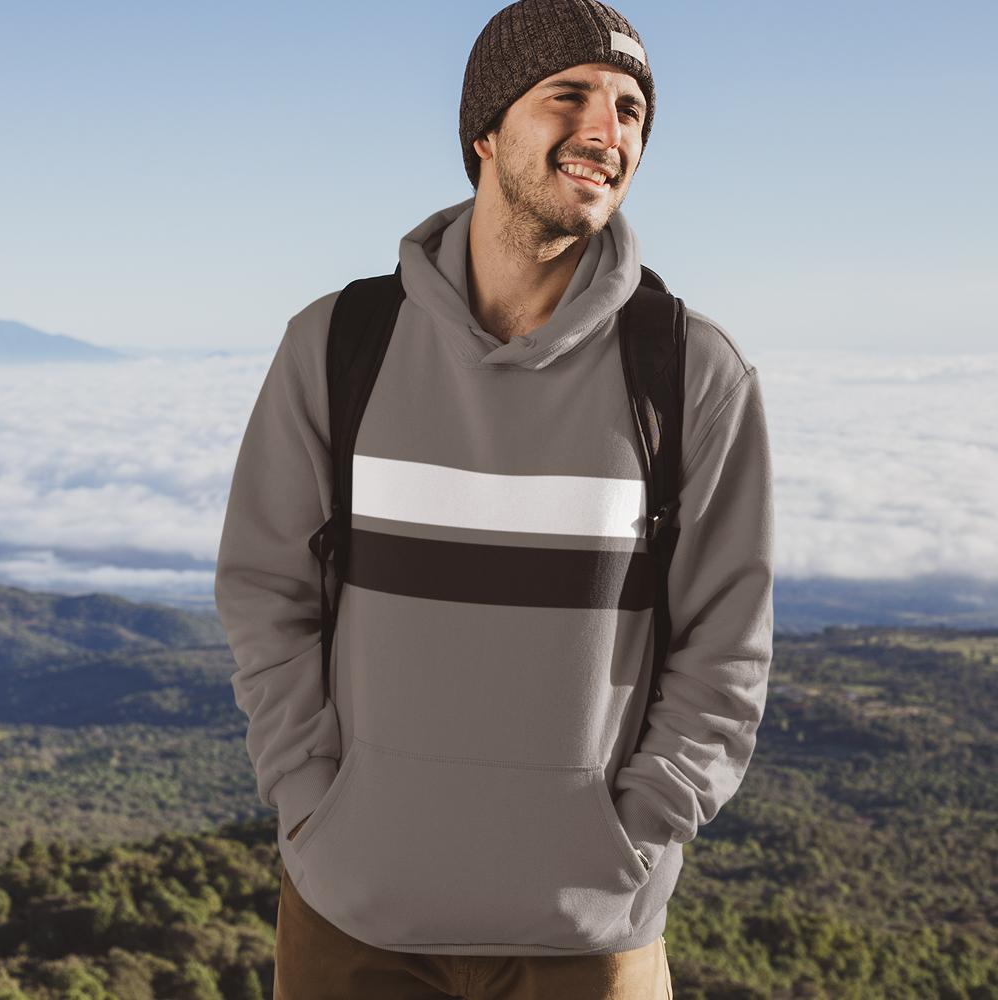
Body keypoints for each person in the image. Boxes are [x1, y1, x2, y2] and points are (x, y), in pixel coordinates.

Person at [213, 0, 775, 996]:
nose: (607, 132)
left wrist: (637, 832)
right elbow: (266, 588)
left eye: (630, 110)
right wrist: (313, 803)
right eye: (569, 97)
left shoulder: (689, 373)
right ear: (483, 132)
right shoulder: (340, 345)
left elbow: (724, 644)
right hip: (355, 914)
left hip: (590, 931)